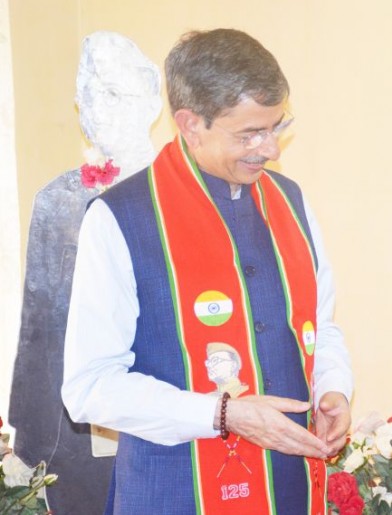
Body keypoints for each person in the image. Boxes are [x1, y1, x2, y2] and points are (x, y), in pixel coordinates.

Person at [62, 28, 353, 515]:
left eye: (276, 126)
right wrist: (221, 414)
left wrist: (333, 388)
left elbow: (322, 328)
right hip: (174, 491)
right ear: (190, 124)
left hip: (291, 490)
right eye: (249, 134)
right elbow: (88, 387)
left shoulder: (292, 202)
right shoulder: (120, 218)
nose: (271, 149)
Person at [9, 31, 161, 514]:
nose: (100, 108)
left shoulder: (181, 195)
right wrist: (26, 443)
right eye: (88, 95)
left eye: (115, 93)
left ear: (153, 96)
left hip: (165, 423)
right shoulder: (58, 199)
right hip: (73, 436)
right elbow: (37, 333)